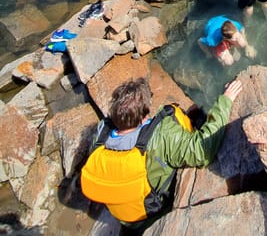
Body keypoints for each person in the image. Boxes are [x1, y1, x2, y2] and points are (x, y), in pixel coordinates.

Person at [81, 76, 242, 233]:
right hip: (152, 213)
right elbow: (202, 150)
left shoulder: (100, 136)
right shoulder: (160, 136)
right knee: (173, 113)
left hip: (125, 215)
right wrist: (225, 101)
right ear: (144, 117)